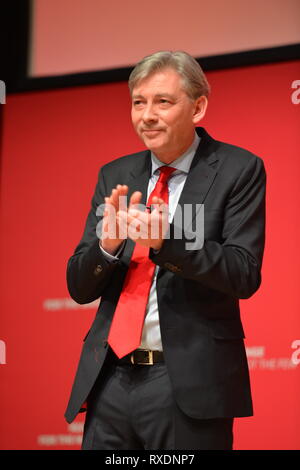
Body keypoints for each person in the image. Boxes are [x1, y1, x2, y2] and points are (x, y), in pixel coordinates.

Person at [65, 51, 266, 450]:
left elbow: (243, 273)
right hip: (109, 380)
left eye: (163, 101)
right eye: (138, 102)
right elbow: (78, 287)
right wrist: (106, 248)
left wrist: (166, 243)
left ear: (198, 107)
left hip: (185, 383)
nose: (147, 115)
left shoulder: (237, 169)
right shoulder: (116, 174)